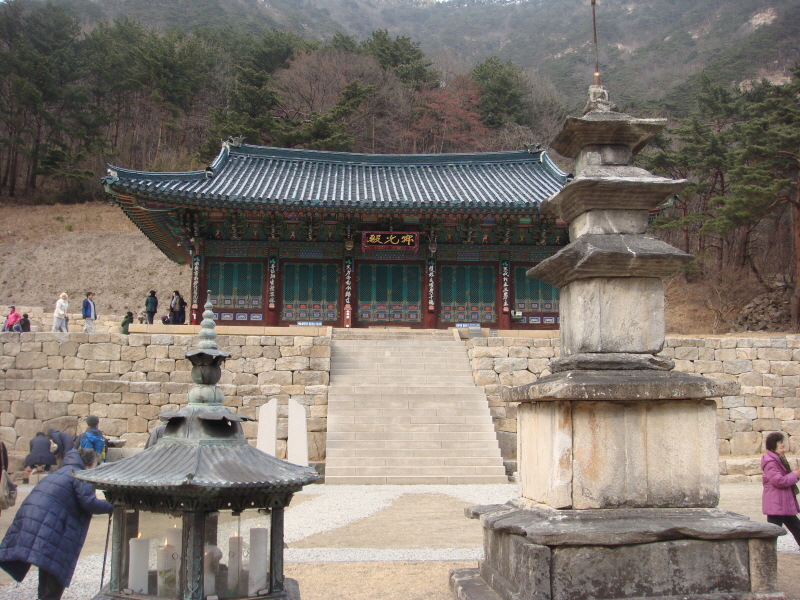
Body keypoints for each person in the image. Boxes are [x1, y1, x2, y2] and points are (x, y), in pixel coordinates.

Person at [0, 448, 113, 600]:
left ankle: (44, 596)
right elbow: (90, 503)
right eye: (95, 465)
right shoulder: (80, 474)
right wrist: (114, 505)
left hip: (33, 518)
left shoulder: (63, 471)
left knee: (47, 562)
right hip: (50, 523)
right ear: (89, 464)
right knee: (54, 566)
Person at [762, 431, 800, 547]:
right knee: (773, 533)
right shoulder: (771, 462)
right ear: (773, 447)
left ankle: (767, 552)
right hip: (776, 503)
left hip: (782, 502)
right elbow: (779, 481)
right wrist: (794, 475)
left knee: (796, 527)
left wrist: (794, 474)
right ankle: (765, 553)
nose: (784, 450)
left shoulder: (778, 460)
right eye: (781, 447)